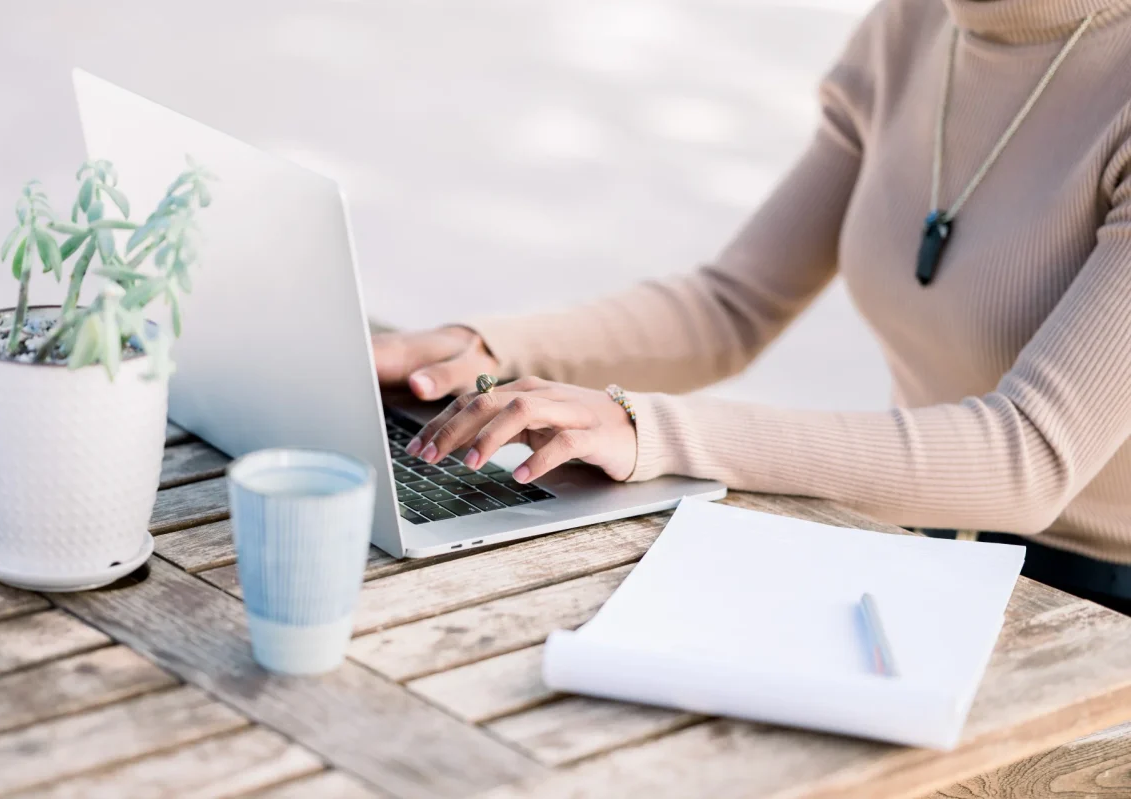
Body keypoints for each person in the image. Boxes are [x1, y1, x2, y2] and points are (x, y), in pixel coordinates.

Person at [373, 0, 1131, 614]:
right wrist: (482, 351)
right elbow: (731, 307)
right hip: (911, 541)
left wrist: (649, 427)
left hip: (1095, 607)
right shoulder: (918, 21)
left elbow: (1029, 455)